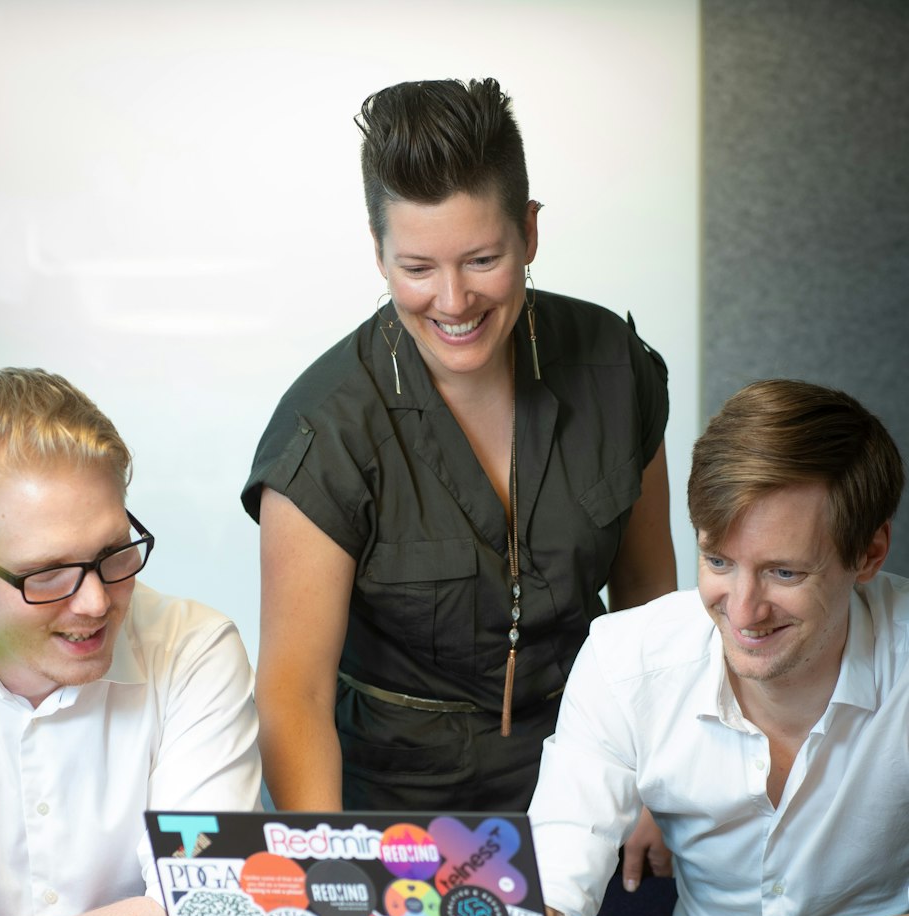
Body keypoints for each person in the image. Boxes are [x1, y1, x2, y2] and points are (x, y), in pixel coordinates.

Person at [242, 76, 676, 826]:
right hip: (394, 814)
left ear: (530, 232)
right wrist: (338, 868)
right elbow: (294, 694)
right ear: (378, 253)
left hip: (593, 787)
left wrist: (656, 790)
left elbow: (648, 604)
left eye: (481, 260)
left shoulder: (615, 365)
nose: (452, 300)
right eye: (417, 268)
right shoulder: (324, 433)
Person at [529, 378, 909, 916]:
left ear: (869, 555)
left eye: (784, 572)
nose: (743, 610)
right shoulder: (625, 659)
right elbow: (550, 884)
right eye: (719, 562)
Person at [0, 368, 262, 916]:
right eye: (47, 573)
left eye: (114, 553)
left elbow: (202, 915)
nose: (96, 602)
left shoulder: (195, 648)